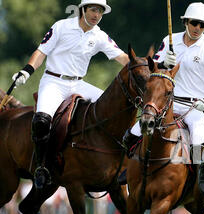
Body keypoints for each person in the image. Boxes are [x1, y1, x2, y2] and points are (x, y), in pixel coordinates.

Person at [11, 0, 129, 190]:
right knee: (41, 121)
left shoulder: (99, 35)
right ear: (83, 10)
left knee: (113, 110)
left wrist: (150, 67)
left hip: (78, 83)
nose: (96, 15)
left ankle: (124, 164)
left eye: (100, 12)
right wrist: (26, 71)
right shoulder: (61, 26)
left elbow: (123, 57)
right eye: (93, 10)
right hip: (53, 82)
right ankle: (42, 167)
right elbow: (41, 52)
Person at [123, 2, 204, 211]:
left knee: (199, 140)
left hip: (194, 107)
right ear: (186, 22)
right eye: (194, 23)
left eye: (203, 25)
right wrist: (163, 64)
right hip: (167, 103)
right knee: (132, 133)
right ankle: (126, 172)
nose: (197, 28)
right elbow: (155, 73)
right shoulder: (169, 41)